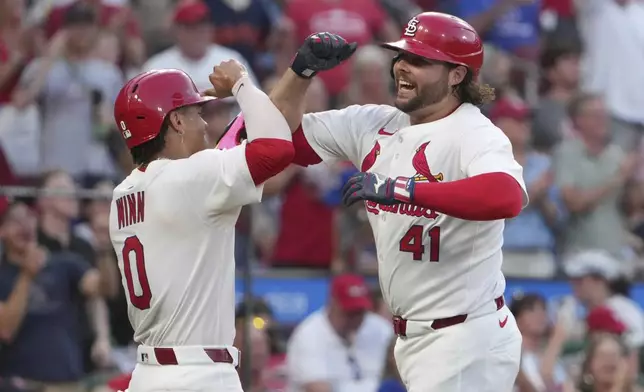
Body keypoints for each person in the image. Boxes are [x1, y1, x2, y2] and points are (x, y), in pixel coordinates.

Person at [225, 13, 527, 392]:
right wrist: (300, 72)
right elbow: (273, 137)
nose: (402, 67)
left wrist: (404, 189)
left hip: (466, 335)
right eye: (401, 56)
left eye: (420, 61)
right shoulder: (374, 123)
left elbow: (506, 197)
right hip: (413, 337)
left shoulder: (475, 133)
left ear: (456, 75)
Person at [108, 61, 294, 392]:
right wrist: (240, 84)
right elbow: (277, 149)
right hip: (199, 375)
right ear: (176, 121)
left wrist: (295, 74)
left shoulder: (123, 193)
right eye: (195, 113)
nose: (205, 123)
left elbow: (214, 166)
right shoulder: (190, 179)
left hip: (148, 375)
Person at [286, 274, 392, 392]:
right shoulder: (309, 335)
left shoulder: (381, 329)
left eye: (360, 312)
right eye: (349, 313)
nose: (356, 319)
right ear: (333, 304)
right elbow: (318, 388)